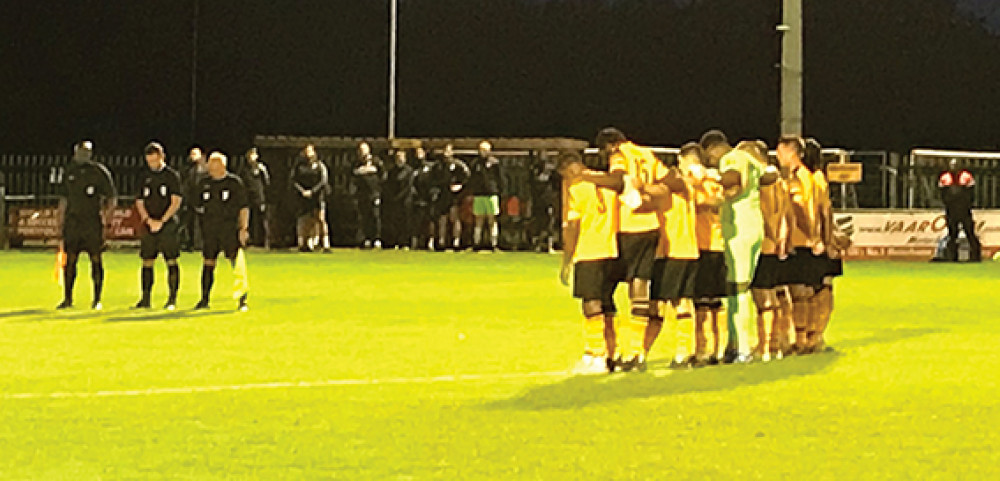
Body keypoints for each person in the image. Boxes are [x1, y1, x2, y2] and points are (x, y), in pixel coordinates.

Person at [581, 127, 665, 371]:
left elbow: (618, 179)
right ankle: (636, 354)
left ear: (609, 146)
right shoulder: (648, 155)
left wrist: (590, 177)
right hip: (651, 228)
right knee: (639, 288)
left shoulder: (619, 155)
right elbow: (667, 185)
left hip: (626, 228)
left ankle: (608, 351)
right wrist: (648, 195)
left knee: (602, 289)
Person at [703, 130, 774, 364]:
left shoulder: (731, 158)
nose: (712, 162)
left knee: (738, 291)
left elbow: (732, 179)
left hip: (739, 229)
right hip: (753, 225)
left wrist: (709, 176)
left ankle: (741, 348)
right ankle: (735, 344)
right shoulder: (751, 159)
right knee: (739, 289)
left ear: (714, 148)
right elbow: (768, 177)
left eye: (710, 157)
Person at [558, 151, 619, 374]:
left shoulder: (577, 188)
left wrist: (567, 260)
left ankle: (596, 354)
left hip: (589, 251)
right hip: (611, 250)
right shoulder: (607, 184)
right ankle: (613, 352)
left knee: (590, 303)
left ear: (568, 170)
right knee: (607, 302)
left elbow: (573, 226)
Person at [645, 147, 700, 368]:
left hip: (671, 249)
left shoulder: (677, 184)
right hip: (689, 249)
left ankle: (640, 352)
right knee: (683, 301)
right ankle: (684, 352)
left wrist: (639, 187)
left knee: (657, 306)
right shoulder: (691, 185)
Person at [775, 134, 825, 353]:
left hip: (799, 241)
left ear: (791, 152)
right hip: (803, 240)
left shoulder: (798, 178)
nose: (777, 156)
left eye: (780, 151)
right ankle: (805, 338)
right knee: (803, 292)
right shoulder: (807, 176)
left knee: (798, 292)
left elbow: (801, 210)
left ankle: (801, 339)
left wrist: (810, 236)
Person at [56, 140, 116, 310]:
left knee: (95, 259)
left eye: (85, 152)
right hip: (73, 222)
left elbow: (111, 197)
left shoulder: (99, 172)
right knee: (70, 260)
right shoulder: (69, 171)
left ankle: (97, 299)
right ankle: (67, 299)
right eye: (79, 152)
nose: (81, 155)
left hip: (92, 223)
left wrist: (107, 218)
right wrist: (59, 220)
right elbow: (63, 198)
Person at [744, 140, 789, 361]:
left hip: (760, 245)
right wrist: (781, 238)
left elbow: (761, 211)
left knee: (762, 298)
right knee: (774, 294)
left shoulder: (761, 181)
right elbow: (785, 213)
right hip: (774, 246)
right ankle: (777, 344)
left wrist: (769, 234)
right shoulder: (779, 180)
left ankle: (765, 347)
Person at [192, 152, 250, 311]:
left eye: (213, 165)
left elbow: (243, 207)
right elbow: (197, 204)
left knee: (235, 263)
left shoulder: (234, 183)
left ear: (222, 165)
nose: (210, 168)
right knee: (208, 262)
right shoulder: (204, 183)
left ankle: (242, 299)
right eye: (209, 164)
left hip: (229, 229)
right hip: (210, 230)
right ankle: (204, 299)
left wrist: (243, 228)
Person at [686, 142, 728, 365]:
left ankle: (708, 349)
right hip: (706, 246)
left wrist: (696, 184)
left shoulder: (706, 183)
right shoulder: (709, 181)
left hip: (709, 246)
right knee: (709, 302)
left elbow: (714, 201)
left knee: (707, 302)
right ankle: (712, 348)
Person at [134, 141, 183, 310]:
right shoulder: (143, 176)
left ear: (161, 157)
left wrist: (162, 221)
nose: (152, 164)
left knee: (171, 260)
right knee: (147, 260)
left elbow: (176, 201)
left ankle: (172, 299)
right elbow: (139, 201)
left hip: (167, 224)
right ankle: (145, 298)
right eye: (149, 161)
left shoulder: (171, 176)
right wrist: (148, 220)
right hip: (149, 224)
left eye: (154, 160)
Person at [938, 158, 981, 262]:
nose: (954, 168)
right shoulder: (945, 177)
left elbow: (971, 194)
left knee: (970, 232)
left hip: (964, 209)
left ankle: (975, 256)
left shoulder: (966, 176)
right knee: (952, 234)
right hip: (951, 210)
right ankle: (952, 257)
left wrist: (967, 205)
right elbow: (943, 194)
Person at [290, 144, 330, 252]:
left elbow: (323, 181)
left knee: (320, 219)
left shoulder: (320, 166)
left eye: (310, 151)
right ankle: (305, 243)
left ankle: (325, 244)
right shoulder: (299, 167)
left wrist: (313, 191)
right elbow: (293, 180)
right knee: (305, 220)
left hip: (317, 196)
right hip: (303, 197)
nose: (308, 154)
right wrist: (302, 191)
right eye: (306, 151)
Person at [432, 144, 470, 250]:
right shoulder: (438, 165)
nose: (446, 153)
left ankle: (456, 241)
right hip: (442, 194)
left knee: (454, 217)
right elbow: (433, 179)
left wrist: (460, 185)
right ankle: (441, 240)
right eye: (444, 151)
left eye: (448, 151)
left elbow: (466, 175)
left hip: (453, 195)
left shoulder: (457, 164)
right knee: (442, 219)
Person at [469, 140, 503, 251]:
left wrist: (498, 191)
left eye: (485, 149)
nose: (483, 152)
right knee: (478, 219)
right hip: (479, 195)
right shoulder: (475, 164)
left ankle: (493, 244)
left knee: (492, 219)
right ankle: (476, 243)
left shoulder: (495, 163)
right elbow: (472, 179)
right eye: (481, 149)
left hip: (491, 194)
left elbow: (500, 178)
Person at [353, 142, 385, 249]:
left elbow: (383, 176)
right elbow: (353, 176)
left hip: (374, 195)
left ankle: (377, 239)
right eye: (361, 150)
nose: (363, 153)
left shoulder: (376, 162)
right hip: (362, 195)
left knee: (375, 217)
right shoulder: (356, 164)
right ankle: (366, 238)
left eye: (364, 150)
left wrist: (378, 192)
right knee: (364, 217)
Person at [382, 150, 414, 249]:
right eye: (397, 157)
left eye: (401, 157)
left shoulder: (409, 171)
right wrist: (392, 198)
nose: (399, 159)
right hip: (394, 202)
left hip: (405, 201)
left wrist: (399, 197)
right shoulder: (392, 171)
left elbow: (408, 187)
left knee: (405, 223)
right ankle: (395, 241)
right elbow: (389, 185)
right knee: (395, 223)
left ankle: (405, 243)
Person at [239, 147, 270, 248]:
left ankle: (263, 241)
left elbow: (267, 183)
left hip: (259, 197)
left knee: (261, 219)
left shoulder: (260, 168)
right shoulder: (243, 170)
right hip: (247, 198)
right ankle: (248, 240)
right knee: (248, 221)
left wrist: (264, 171)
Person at [180, 146, 207, 251]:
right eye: (192, 154)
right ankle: (190, 243)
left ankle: (201, 244)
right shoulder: (189, 171)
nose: (193, 157)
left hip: (202, 201)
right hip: (191, 202)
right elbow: (186, 186)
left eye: (195, 154)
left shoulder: (206, 171)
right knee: (190, 224)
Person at [411, 147, 439, 250]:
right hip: (418, 198)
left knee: (430, 220)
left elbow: (435, 181)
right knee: (417, 221)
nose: (418, 155)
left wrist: (433, 194)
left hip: (429, 198)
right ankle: (416, 241)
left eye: (420, 152)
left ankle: (430, 241)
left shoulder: (432, 167)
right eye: (416, 153)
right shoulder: (413, 168)